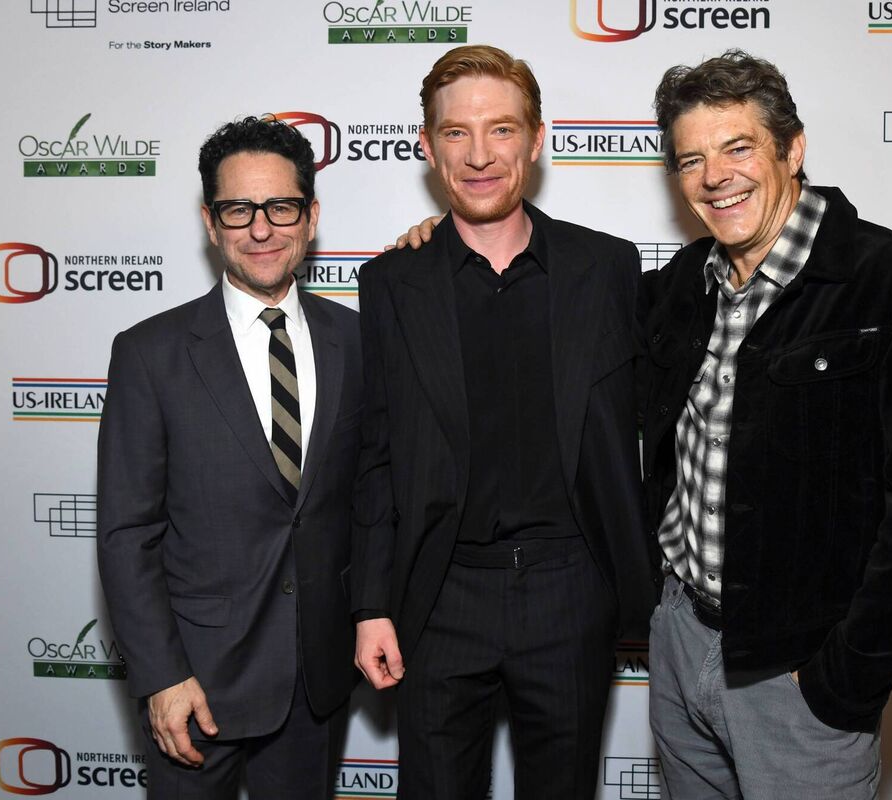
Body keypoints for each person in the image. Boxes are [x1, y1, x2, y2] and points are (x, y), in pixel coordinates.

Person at [638, 50, 892, 798]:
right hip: (678, 641)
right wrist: (451, 235)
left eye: (738, 148)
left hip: (797, 674)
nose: (714, 176)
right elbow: (563, 302)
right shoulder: (678, 288)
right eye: (692, 159)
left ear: (792, 150)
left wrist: (844, 677)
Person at [350, 45, 657, 800]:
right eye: (456, 133)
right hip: (439, 593)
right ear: (426, 146)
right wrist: (371, 606)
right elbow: (376, 456)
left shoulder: (609, 269)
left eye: (502, 130)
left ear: (537, 138)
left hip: (571, 591)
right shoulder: (391, 281)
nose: (480, 154)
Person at [96, 116, 361, 799]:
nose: (262, 228)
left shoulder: (357, 341)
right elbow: (127, 535)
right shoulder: (149, 353)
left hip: (314, 684)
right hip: (196, 687)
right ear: (211, 222)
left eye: (282, 206)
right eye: (238, 209)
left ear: (311, 216)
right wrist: (160, 676)